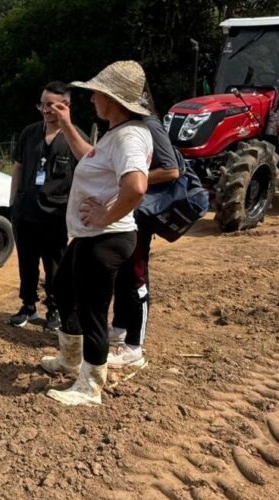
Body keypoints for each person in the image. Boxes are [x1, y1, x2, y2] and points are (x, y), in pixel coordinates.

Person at [38, 60, 152, 406]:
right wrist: (68, 125)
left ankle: (90, 386)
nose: (91, 100)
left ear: (113, 100)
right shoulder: (116, 134)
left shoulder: (129, 136)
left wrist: (105, 215)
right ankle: (70, 360)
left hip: (106, 238)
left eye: (97, 94)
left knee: (92, 310)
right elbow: (89, 156)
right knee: (61, 287)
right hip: (93, 236)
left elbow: (136, 186)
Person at [108, 87, 180, 369]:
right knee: (123, 274)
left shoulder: (149, 126)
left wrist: (132, 178)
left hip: (140, 213)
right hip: (127, 212)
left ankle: (134, 346)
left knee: (136, 276)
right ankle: (119, 327)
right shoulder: (129, 127)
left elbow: (171, 170)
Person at [8, 81, 90, 330]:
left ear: (65, 106)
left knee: (55, 266)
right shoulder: (30, 133)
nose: (45, 110)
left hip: (56, 215)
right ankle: (28, 305)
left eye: (51, 106)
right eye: (42, 104)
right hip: (26, 212)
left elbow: (85, 177)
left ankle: (53, 308)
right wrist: (12, 203)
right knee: (27, 262)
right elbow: (18, 167)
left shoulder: (76, 138)